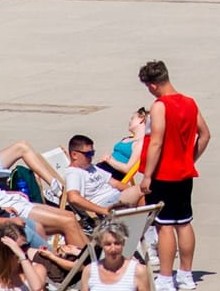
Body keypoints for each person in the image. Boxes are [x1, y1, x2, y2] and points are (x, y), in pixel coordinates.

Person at [0, 133, 87, 254]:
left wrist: (8, 192)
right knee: (67, 221)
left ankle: (91, 263)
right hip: (5, 210)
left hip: (11, 202)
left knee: (69, 217)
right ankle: (89, 269)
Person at [138, 60, 207, 291]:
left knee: (164, 226)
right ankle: (186, 275)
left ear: (153, 85)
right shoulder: (190, 103)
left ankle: (166, 277)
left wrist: (147, 175)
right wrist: (190, 159)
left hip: (163, 175)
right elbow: (205, 135)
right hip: (184, 174)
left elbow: (156, 141)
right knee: (184, 223)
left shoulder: (160, 106)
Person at [59, 134, 144, 219]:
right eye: (88, 154)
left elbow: (115, 183)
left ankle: (144, 221)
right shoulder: (73, 173)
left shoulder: (92, 167)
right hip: (105, 204)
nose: (91, 157)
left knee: (143, 192)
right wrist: (103, 210)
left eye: (93, 153)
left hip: (116, 197)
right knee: (142, 189)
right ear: (74, 155)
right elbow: (73, 198)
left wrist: (131, 191)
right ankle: (149, 221)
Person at [86, 219, 151, 291]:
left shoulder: (138, 271)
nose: (113, 249)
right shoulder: (89, 271)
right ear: (101, 245)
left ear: (123, 243)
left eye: (117, 243)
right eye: (108, 244)